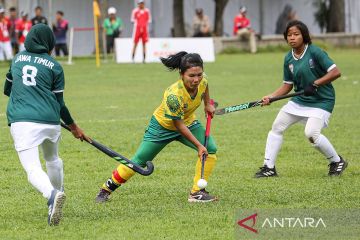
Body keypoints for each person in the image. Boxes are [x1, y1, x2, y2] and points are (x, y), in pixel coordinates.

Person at [95, 51, 218, 203]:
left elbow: (204, 87)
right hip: (162, 127)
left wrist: (207, 104)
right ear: (181, 74)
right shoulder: (174, 95)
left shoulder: (203, 81)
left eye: (199, 74)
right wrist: (199, 145)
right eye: (191, 76)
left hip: (187, 122)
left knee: (210, 149)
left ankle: (196, 192)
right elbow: (177, 125)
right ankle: (105, 190)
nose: (196, 79)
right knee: (139, 160)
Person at [4, 24, 88, 225]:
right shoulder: (55, 65)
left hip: (23, 121)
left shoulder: (17, 59)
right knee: (52, 159)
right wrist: (74, 126)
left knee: (33, 169)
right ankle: (58, 191)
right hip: (50, 121)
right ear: (49, 42)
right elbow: (60, 104)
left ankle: (51, 195)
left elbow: (7, 89)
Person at [254, 20, 347, 178]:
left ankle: (336, 161)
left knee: (311, 133)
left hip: (322, 101)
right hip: (300, 101)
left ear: (304, 36)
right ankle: (268, 167)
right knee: (277, 127)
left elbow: (336, 72)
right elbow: (287, 86)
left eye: (296, 34)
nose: (292, 38)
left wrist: (316, 83)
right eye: (289, 35)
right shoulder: (288, 58)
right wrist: (271, 97)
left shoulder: (315, 52)